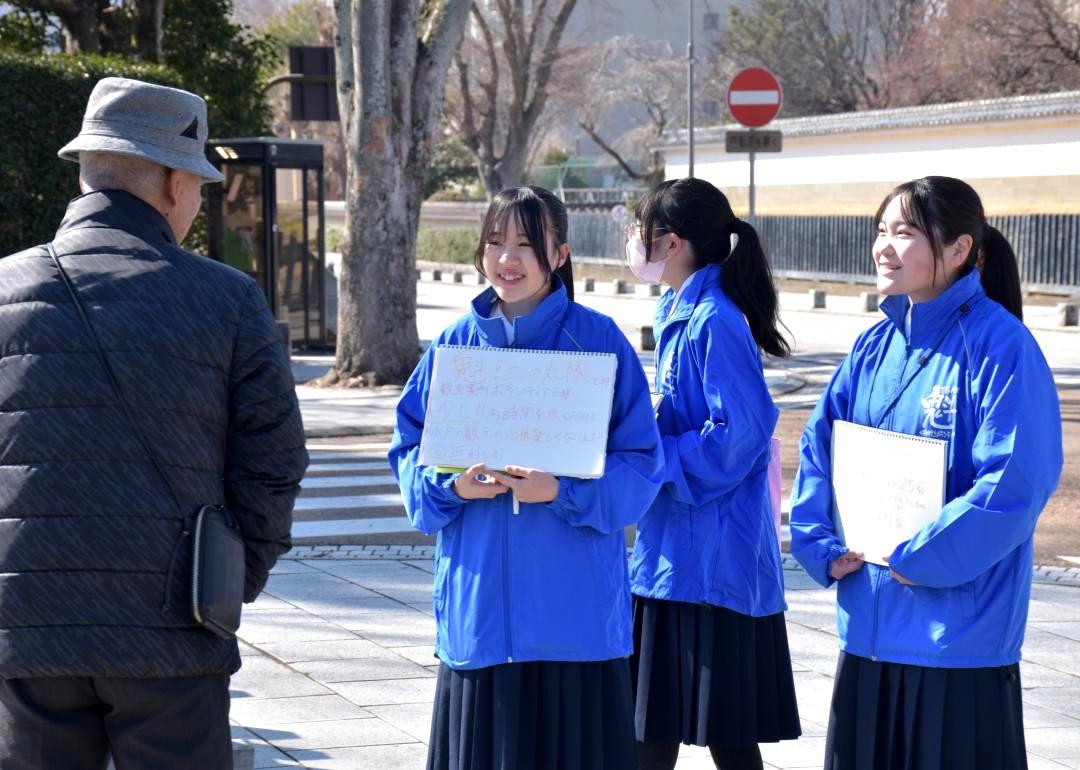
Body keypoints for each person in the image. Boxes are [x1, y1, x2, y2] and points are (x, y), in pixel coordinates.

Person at [0, 77, 308, 768]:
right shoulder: (227, 299)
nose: (197, 202)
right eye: (198, 184)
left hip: (27, 625)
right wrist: (230, 580)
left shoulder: (5, 290)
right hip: (173, 624)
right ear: (172, 182)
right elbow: (275, 460)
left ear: (88, 176)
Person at [789, 176, 1063, 770]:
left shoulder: (1001, 347)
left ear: (961, 248)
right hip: (867, 626)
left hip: (956, 639)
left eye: (905, 233)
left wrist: (924, 557)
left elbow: (1013, 484)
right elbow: (819, 447)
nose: (884, 247)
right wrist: (817, 542)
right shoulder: (872, 347)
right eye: (881, 231)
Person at [389, 186, 664, 770]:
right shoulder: (453, 346)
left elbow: (641, 468)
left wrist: (561, 493)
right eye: (494, 243)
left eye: (523, 244)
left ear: (559, 254)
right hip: (479, 619)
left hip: (577, 624)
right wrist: (451, 486)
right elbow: (410, 449)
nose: (506, 260)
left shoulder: (597, 343)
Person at [625, 177, 801, 770]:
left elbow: (739, 435)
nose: (635, 241)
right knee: (659, 725)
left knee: (713, 732)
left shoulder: (714, 320)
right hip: (680, 552)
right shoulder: (682, 309)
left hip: (712, 560)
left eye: (641, 231)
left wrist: (656, 458)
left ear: (671, 243)